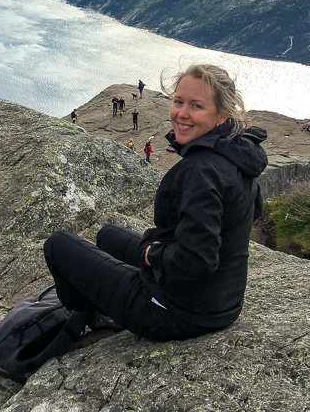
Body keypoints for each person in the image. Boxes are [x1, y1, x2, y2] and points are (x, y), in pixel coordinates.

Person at [43, 64, 268, 341]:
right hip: (221, 302)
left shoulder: (201, 171)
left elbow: (197, 259)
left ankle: (81, 315)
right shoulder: (239, 151)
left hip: (178, 312)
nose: (182, 114)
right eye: (178, 101)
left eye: (196, 106)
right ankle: (103, 300)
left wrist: (154, 256)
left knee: (58, 245)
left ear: (221, 115)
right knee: (107, 235)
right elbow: (250, 213)